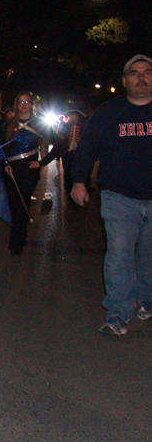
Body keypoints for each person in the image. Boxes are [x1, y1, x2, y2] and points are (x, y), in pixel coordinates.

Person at [71, 54, 152, 336]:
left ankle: (146, 297)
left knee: (148, 255)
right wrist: (78, 181)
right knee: (119, 255)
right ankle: (118, 312)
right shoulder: (108, 113)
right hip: (119, 198)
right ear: (125, 80)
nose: (141, 77)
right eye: (135, 73)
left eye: (147, 72)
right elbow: (87, 148)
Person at [1, 93, 59, 255]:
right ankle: (21, 234)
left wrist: (41, 162)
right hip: (11, 170)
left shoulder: (39, 124)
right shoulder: (8, 125)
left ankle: (16, 242)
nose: (24, 105)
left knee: (22, 202)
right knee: (14, 204)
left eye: (27, 102)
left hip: (29, 170)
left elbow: (59, 144)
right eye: (21, 102)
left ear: (32, 104)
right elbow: (0, 148)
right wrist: (4, 164)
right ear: (16, 105)